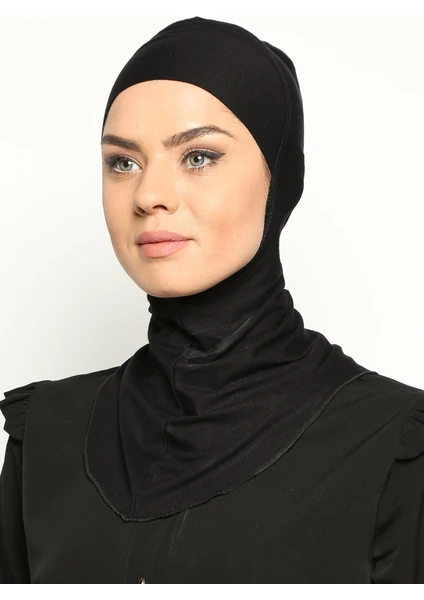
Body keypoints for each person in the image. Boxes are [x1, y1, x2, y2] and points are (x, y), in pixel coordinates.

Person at [1, 15, 423, 584]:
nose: (149, 195)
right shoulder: (47, 437)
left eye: (198, 156)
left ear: (279, 176)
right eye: (123, 162)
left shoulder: (389, 447)